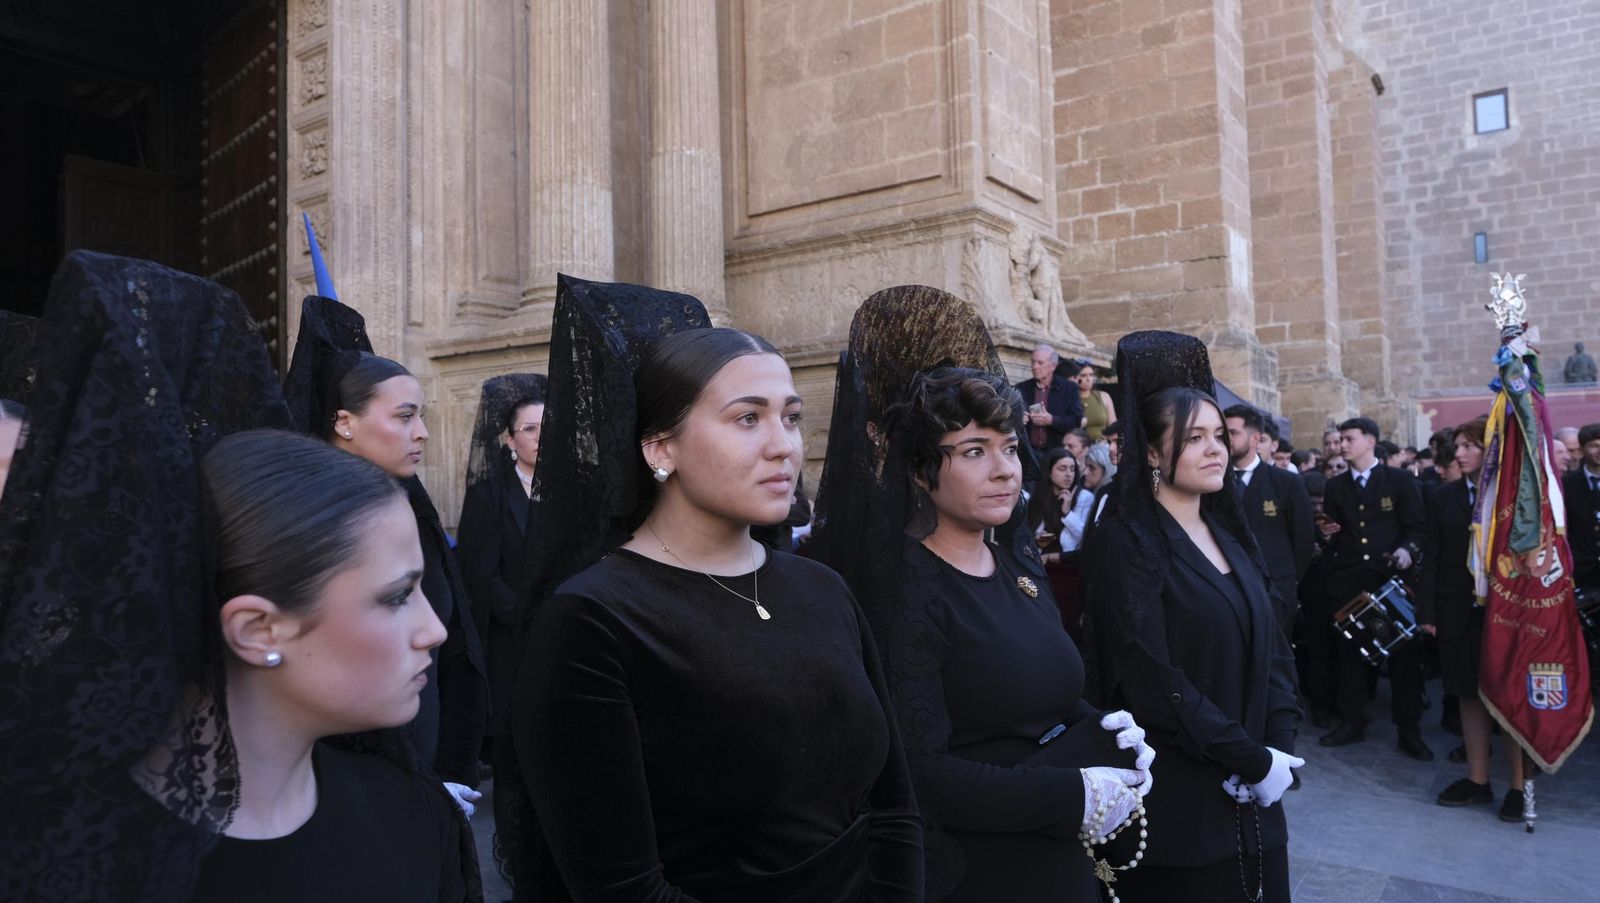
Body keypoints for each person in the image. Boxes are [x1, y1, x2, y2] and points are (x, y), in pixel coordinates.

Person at [0, 251, 478, 902]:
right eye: (396, 596)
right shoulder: (54, 861)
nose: (434, 629)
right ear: (257, 628)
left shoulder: (416, 821)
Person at [508, 276, 923, 902]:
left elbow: (894, 807)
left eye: (791, 417)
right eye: (747, 418)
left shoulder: (822, 589)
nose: (784, 447)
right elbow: (623, 888)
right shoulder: (593, 621)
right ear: (660, 448)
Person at [812, 285, 1152, 903]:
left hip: (1056, 858)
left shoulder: (1016, 565)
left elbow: (1044, 696)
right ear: (919, 471)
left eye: (1009, 447)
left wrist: (1104, 726)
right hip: (982, 872)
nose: (1005, 469)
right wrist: (1073, 793)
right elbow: (922, 775)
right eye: (974, 451)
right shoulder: (907, 591)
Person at [1081, 330, 1303, 903]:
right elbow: (1154, 680)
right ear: (1153, 454)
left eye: (1219, 436)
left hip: (1259, 802)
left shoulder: (1229, 533)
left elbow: (1274, 648)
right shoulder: (1126, 543)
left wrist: (1277, 749)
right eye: (1195, 438)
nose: (1215, 450)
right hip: (1182, 809)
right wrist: (1248, 758)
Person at [282, 296, 488, 815]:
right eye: (405, 416)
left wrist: (446, 771)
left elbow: (452, 640)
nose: (422, 432)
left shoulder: (412, 510)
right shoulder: (309, 525)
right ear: (344, 422)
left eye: (423, 415)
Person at [1421, 416, 1532, 821]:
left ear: (1492, 450)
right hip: (1458, 610)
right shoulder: (1444, 496)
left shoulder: (1515, 497)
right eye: (1458, 446)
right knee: (1468, 693)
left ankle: (1518, 786)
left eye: (1470, 446)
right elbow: (1432, 556)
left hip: (1507, 613)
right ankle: (1478, 779)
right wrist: (1427, 611)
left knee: (1510, 699)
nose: (1460, 453)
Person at [1316, 417, 1432, 761]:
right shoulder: (1336, 486)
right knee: (1350, 655)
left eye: (1349, 439)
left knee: (1403, 659)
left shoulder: (1399, 480)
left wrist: (1406, 551)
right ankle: (1352, 721)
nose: (1342, 445)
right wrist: (1326, 536)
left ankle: (1409, 730)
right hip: (1351, 582)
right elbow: (1335, 536)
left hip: (1390, 581)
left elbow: (1417, 528)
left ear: (1370, 441)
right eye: (1340, 439)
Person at [456, 374, 547, 765]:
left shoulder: (572, 493)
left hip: (564, 633)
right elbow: (481, 576)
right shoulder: (487, 496)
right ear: (510, 441)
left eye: (548, 426)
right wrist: (531, 617)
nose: (541, 436)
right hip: (510, 643)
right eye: (530, 429)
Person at [1223, 405, 1314, 632]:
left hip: (1275, 592)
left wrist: (1288, 581)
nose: (1225, 439)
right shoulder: (1215, 483)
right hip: (1228, 590)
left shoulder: (1286, 482)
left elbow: (1303, 538)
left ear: (1255, 438)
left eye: (1232, 433)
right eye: (1222, 433)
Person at [1016, 343, 1084, 458]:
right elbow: (1007, 418)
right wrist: (1018, 418)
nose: (1035, 366)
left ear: (1053, 366)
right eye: (1033, 362)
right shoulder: (1021, 388)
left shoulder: (1069, 388)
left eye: (1040, 362)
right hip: (1026, 453)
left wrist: (1052, 420)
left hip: (1056, 453)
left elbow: (1076, 421)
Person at [1032, 446, 1094, 558]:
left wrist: (1067, 513)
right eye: (1062, 469)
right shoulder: (1040, 496)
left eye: (1072, 469)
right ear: (1049, 472)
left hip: (1068, 561)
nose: (1068, 474)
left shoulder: (1084, 497)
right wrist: (1037, 538)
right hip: (1040, 559)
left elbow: (1085, 537)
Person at [1563, 423, 1600, 595]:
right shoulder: (1567, 484)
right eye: (1594, 446)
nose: (1599, 451)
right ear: (1582, 449)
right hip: (1582, 573)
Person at [1073, 360, 1117, 441]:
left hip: (1101, 445)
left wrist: (1113, 443)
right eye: (1083, 375)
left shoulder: (1104, 396)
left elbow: (1113, 426)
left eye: (1091, 375)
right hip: (1077, 445)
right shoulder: (1070, 398)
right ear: (1075, 377)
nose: (1088, 379)